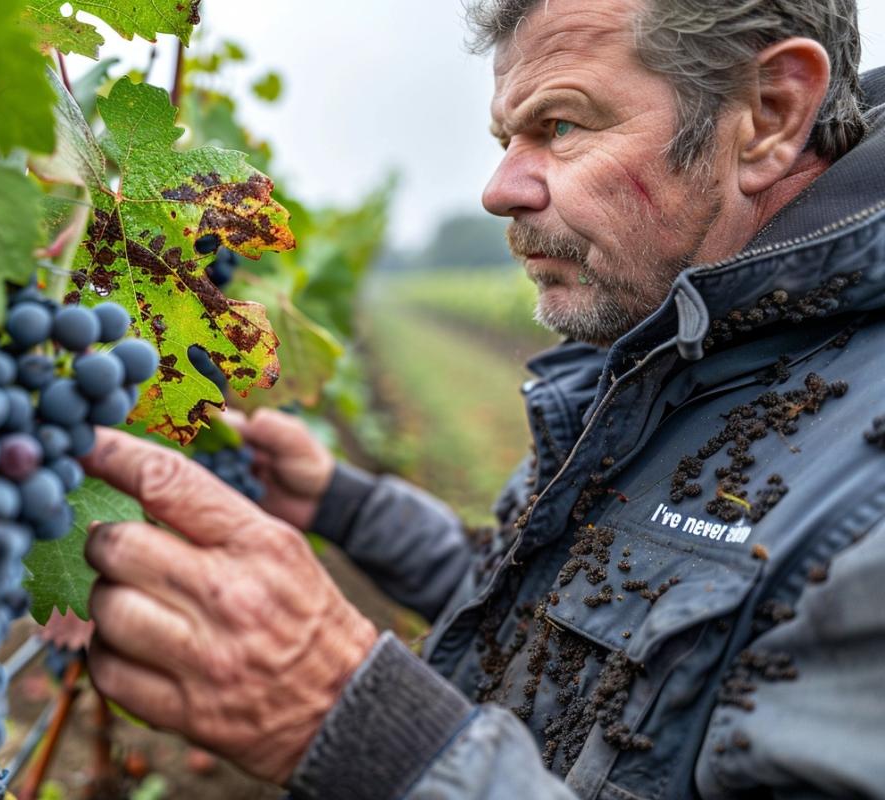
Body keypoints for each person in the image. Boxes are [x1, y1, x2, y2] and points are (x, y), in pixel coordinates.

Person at [79, 0, 885, 796]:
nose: (499, 190)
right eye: (507, 141)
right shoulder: (663, 344)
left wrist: (366, 735)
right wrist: (345, 504)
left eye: (561, 126)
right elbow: (555, 614)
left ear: (770, 113)